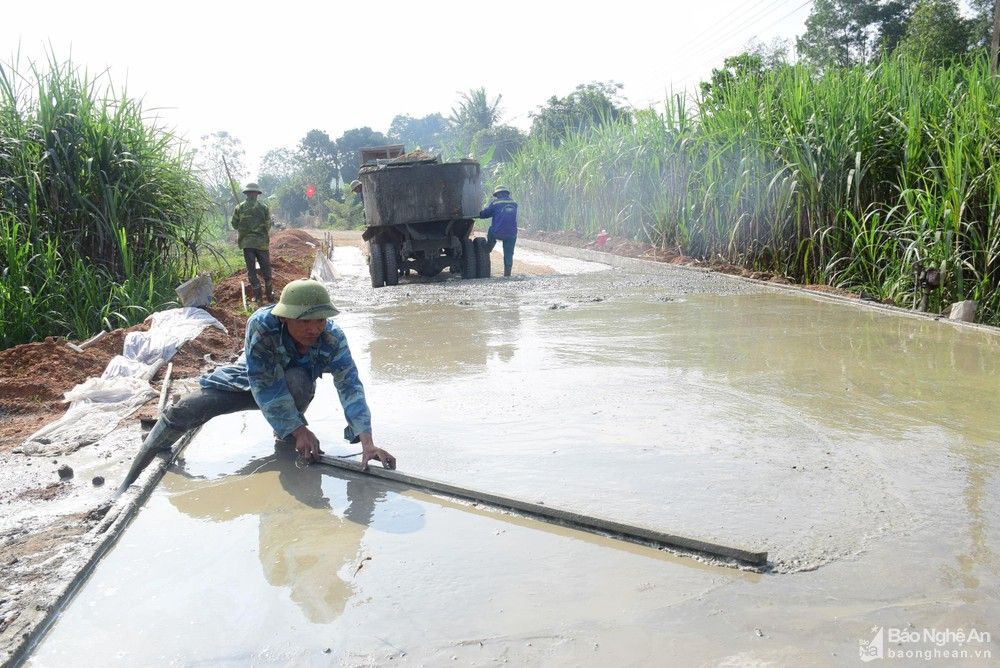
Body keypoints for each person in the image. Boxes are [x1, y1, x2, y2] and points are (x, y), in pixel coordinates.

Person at [116, 279, 396, 494]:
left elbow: (350, 386)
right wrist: (300, 428)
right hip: (249, 380)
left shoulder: (332, 338)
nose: (315, 329)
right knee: (186, 410)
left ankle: (288, 436)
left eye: (320, 320)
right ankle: (136, 472)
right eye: (306, 321)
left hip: (292, 386)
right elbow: (263, 383)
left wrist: (367, 442)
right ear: (285, 317)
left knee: (298, 381)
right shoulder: (263, 325)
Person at [232, 182, 274, 303]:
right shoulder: (264, 208)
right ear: (257, 194)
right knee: (266, 270)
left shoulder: (239, 208)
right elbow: (268, 225)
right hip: (262, 244)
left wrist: (244, 225)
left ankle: (258, 297)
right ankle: (270, 295)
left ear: (246, 193)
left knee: (252, 271)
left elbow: (234, 225)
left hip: (247, 244)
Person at [476, 186, 518, 277]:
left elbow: (486, 213)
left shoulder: (495, 203)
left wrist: (479, 214)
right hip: (512, 234)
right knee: (509, 253)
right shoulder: (514, 203)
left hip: (498, 232)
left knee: (491, 230)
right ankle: (507, 274)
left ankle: (489, 247)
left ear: (498, 194)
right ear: (507, 193)